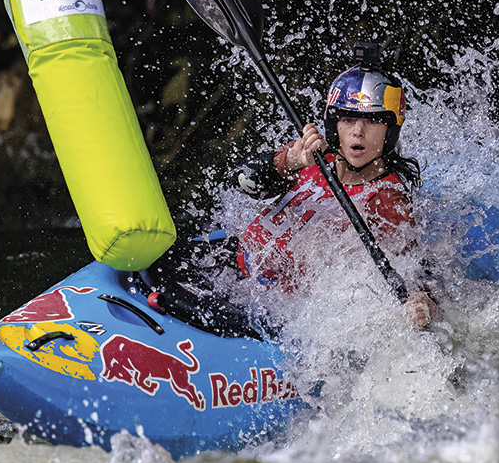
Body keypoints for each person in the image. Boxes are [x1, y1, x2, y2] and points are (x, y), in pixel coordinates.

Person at [149, 43, 441, 331]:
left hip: (266, 304)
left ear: (390, 129)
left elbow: (413, 265)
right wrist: (292, 160)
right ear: (333, 123)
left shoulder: (385, 197)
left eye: (372, 122)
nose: (358, 132)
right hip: (230, 260)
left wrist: (420, 300)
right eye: (348, 119)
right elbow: (242, 182)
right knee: (152, 257)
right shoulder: (314, 155)